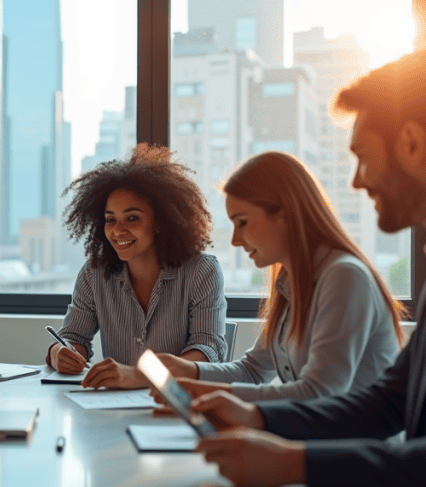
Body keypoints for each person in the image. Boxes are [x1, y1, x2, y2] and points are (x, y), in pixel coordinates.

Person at [188, 49, 426, 487]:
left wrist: (294, 465)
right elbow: (389, 402)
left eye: (363, 157)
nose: (358, 181)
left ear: (411, 142)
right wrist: (257, 417)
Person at [156, 152, 404, 402]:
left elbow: (319, 393)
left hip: (353, 439)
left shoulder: (344, 277)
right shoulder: (290, 283)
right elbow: (252, 371)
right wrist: (187, 369)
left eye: (241, 222)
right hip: (314, 435)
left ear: (284, 215)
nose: (235, 240)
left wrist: (213, 395)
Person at [47, 143, 228, 389]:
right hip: (114, 408)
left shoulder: (202, 271)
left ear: (159, 222)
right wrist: (60, 352)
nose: (118, 230)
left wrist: (139, 376)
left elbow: (208, 349)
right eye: (111, 220)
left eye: (132, 218)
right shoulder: (94, 274)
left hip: (177, 405)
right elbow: (73, 337)